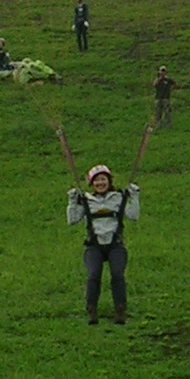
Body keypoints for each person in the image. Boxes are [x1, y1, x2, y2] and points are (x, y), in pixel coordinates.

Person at [58, 131, 143, 325]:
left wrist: (134, 197)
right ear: (92, 183)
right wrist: (72, 201)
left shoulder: (118, 198)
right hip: (94, 245)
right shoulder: (87, 201)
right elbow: (72, 220)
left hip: (115, 245)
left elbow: (133, 216)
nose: (100, 183)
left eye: (103, 179)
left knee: (117, 275)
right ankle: (92, 311)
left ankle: (120, 311)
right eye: (97, 180)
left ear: (109, 181)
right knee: (93, 275)